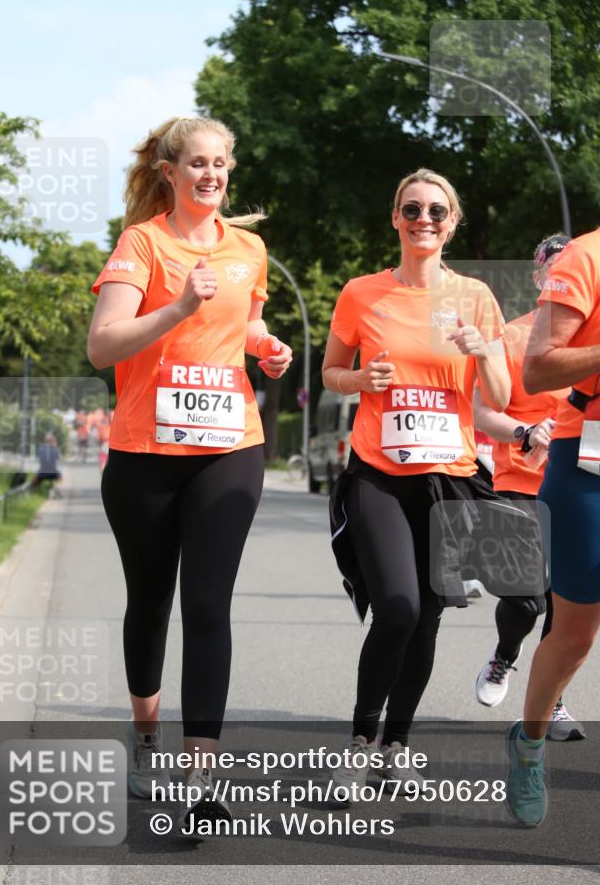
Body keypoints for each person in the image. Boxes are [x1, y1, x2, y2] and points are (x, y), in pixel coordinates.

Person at [87, 116, 292, 828]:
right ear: (170, 172)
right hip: (145, 452)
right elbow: (101, 345)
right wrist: (177, 306)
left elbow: (246, 327)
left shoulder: (249, 249)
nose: (211, 175)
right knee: (151, 604)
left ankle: (201, 777)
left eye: (221, 164)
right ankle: (145, 736)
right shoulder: (143, 243)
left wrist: (268, 349)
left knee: (207, 606)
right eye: (197, 164)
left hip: (229, 445)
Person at [323, 168, 513, 795]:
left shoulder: (477, 297)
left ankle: (396, 744)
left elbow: (502, 394)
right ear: (396, 218)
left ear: (452, 221)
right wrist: (360, 382)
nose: (423, 219)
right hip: (377, 472)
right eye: (412, 209)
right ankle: (359, 739)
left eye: (436, 210)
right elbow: (330, 372)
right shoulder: (361, 293)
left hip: (449, 478)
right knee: (399, 607)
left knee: (428, 617)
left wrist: (484, 350)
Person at [506, 118, 600, 827]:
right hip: (590, 462)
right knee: (574, 632)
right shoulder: (585, 258)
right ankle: (528, 741)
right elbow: (538, 365)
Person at [473, 233, 584, 740]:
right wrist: (525, 430)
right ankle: (503, 657)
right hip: (518, 481)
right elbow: (482, 411)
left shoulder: (599, 340)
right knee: (524, 596)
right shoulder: (511, 337)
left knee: (564, 604)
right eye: (551, 273)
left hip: (580, 484)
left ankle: (551, 700)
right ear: (539, 280)